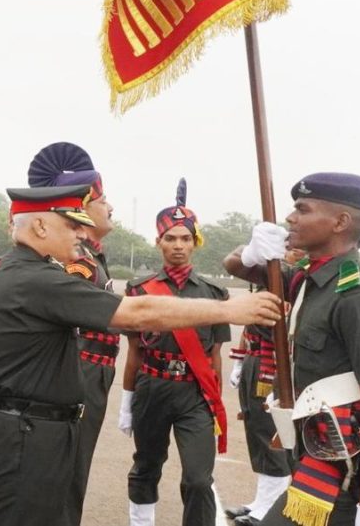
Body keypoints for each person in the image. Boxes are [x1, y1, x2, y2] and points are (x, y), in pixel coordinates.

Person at [0, 183, 283, 526]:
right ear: (41, 226)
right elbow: (139, 313)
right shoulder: (35, 278)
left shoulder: (28, 272)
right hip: (26, 435)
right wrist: (229, 310)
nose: (80, 232)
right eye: (72, 225)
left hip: (32, 430)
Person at [224, 172, 360, 526]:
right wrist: (251, 251)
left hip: (342, 476)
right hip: (313, 455)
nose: (291, 218)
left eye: (302, 210)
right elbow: (234, 266)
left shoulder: (358, 296)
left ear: (340, 222)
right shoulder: (311, 277)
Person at [118, 179, 230, 526]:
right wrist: (126, 401)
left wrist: (216, 401)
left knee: (198, 478)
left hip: (194, 394)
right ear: (159, 242)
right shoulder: (139, 290)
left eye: (185, 238)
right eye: (171, 238)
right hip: (151, 388)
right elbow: (134, 351)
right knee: (147, 466)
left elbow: (214, 356)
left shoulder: (214, 293)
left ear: (195, 243)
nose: (178, 246)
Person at [26, 142, 119, 526]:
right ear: (82, 206)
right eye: (102, 199)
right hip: (80, 372)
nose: (110, 207)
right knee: (67, 476)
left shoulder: (91, 255)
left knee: (71, 474)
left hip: (91, 372)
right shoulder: (78, 259)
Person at [223, 251, 307, 525]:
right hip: (255, 360)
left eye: (292, 249)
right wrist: (241, 362)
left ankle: (270, 504)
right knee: (255, 427)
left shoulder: (292, 284)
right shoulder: (268, 283)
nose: (286, 252)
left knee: (270, 433)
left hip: (272, 365)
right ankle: (262, 499)